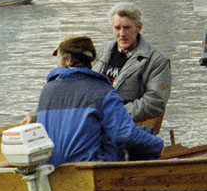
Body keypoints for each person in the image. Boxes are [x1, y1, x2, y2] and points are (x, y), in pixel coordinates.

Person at [36, 36, 164, 165]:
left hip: (50, 168)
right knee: (145, 134)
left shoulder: (47, 91)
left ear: (68, 60)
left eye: (59, 60)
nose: (57, 65)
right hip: (89, 169)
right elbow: (124, 135)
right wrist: (157, 144)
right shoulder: (104, 91)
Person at [92, 4, 171, 124]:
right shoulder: (101, 52)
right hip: (94, 122)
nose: (122, 34)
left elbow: (154, 102)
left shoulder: (157, 61)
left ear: (139, 27)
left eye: (127, 28)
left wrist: (114, 114)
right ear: (111, 28)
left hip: (129, 127)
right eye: (117, 28)